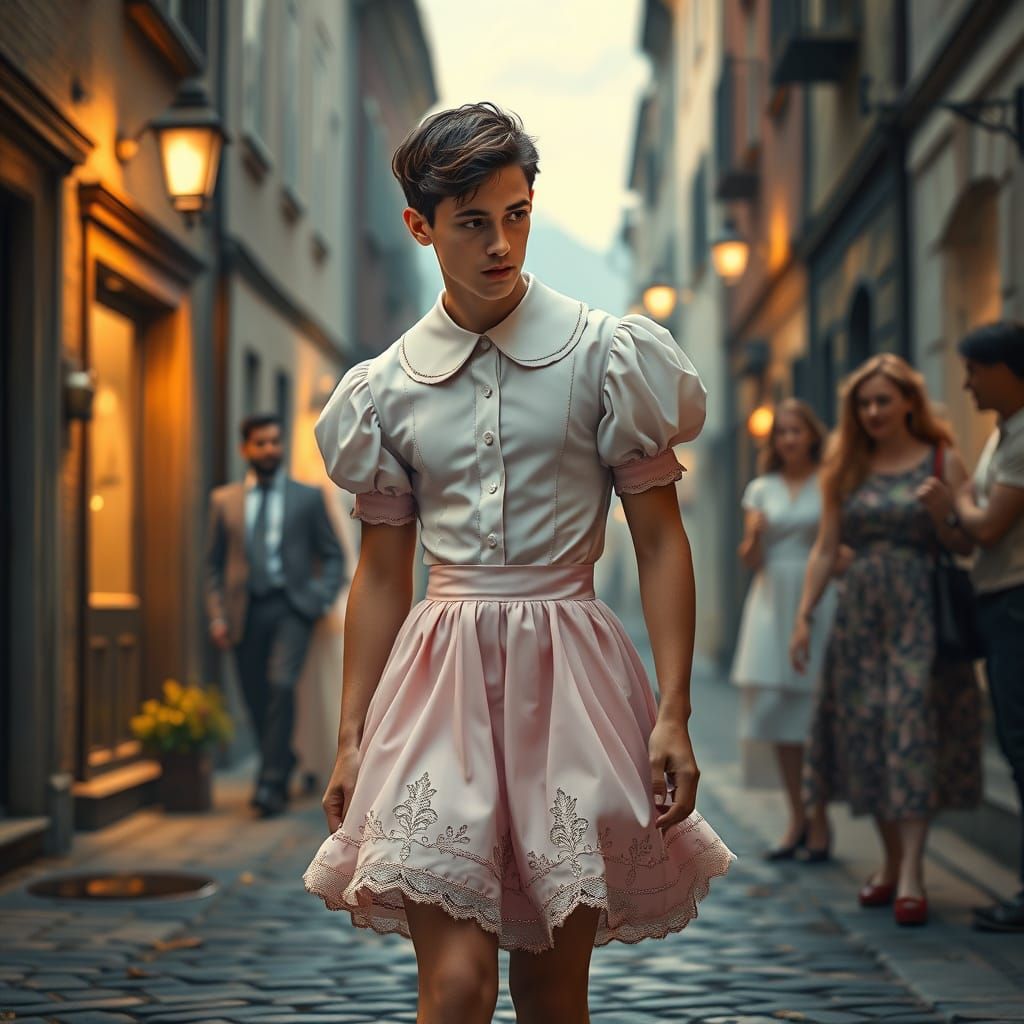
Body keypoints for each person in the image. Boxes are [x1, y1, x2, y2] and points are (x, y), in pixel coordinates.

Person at [302, 103, 734, 1024]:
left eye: (518, 213)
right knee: (453, 990)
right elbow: (382, 572)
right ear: (420, 226)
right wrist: (349, 733)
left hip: (572, 685)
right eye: (472, 222)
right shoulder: (383, 391)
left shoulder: (606, 356)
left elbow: (659, 539)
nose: (502, 242)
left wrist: (674, 709)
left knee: (550, 992)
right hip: (435, 686)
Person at [790, 354, 982, 927]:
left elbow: (966, 546)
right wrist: (805, 614)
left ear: (908, 402)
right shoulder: (846, 466)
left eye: (883, 400)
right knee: (867, 731)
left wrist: (946, 515)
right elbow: (826, 548)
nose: (873, 411)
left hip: (919, 613)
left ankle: (914, 872)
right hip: (859, 620)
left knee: (910, 726)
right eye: (864, 403)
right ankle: (891, 861)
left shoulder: (943, 460)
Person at [205, 413, 344, 817]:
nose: (270, 449)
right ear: (244, 449)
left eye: (274, 442)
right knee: (255, 695)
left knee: (281, 685)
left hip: (292, 607)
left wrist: (319, 598)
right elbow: (212, 564)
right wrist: (216, 615)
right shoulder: (223, 501)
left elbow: (332, 553)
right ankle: (282, 761)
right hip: (242, 612)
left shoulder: (308, 497)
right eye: (261, 443)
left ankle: (269, 785)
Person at [731, 399, 837, 861]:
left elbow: (838, 544)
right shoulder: (760, 488)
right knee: (777, 711)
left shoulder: (831, 482)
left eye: (796, 430)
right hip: (771, 597)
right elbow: (750, 559)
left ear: (812, 434)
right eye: (781, 433)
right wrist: (755, 535)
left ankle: (821, 819)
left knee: (818, 711)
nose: (788, 439)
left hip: (819, 597)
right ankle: (797, 815)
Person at [951, 322, 1024, 933]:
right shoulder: (1004, 435)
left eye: (975, 369)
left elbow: (991, 524)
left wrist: (953, 506)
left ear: (1005, 368)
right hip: (1000, 601)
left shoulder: (1022, 437)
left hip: (1016, 601)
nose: (968, 382)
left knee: (1021, 743)